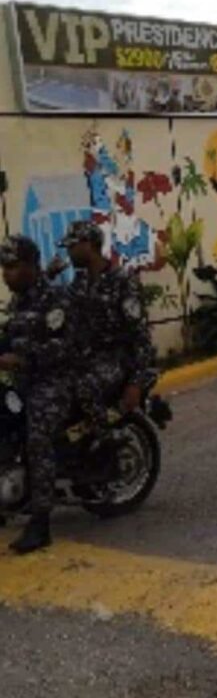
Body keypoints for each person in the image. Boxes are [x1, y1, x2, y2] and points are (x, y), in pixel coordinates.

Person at [0, 234, 80, 554]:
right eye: (4, 267)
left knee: (37, 436)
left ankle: (40, 522)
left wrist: (23, 359)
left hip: (55, 381)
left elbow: (65, 347)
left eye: (13, 266)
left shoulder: (55, 299)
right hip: (24, 380)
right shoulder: (17, 302)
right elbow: (8, 339)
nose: (6, 273)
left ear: (32, 266)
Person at [56, 221, 157, 442]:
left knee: (83, 386)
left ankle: (108, 442)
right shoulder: (80, 282)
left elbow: (140, 335)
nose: (69, 252)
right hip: (89, 357)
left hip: (119, 358)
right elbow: (58, 308)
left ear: (89, 245)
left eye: (72, 246)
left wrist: (136, 382)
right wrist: (48, 276)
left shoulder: (122, 281)